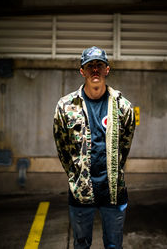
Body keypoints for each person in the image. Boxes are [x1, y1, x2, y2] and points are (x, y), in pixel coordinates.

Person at [53, 46, 135, 249]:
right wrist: (75, 175)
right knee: (81, 245)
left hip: (113, 192)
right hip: (81, 192)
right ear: (82, 71)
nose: (95, 70)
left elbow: (124, 147)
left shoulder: (123, 107)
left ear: (107, 69)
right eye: (90, 66)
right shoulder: (66, 106)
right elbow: (62, 148)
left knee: (114, 245)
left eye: (99, 65)